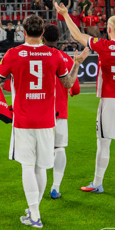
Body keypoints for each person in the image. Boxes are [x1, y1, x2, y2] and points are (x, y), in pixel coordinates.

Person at [0, 14, 85, 228]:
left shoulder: (13, 54)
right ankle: (35, 210)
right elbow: (68, 84)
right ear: (42, 33)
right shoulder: (54, 55)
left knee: (27, 165)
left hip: (23, 120)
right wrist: (76, 64)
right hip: (47, 120)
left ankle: (34, 215)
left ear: (24, 32)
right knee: (41, 167)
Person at [55, 2, 115, 194]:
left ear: (109, 30)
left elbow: (77, 35)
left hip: (110, 101)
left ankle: (97, 183)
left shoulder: (104, 45)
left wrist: (65, 15)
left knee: (104, 142)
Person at [42, 24, 80, 199]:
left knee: (39, 149)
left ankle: (37, 188)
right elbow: (75, 89)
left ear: (43, 37)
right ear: (58, 39)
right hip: (59, 111)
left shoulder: (35, 55)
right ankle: (55, 187)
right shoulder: (65, 58)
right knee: (59, 148)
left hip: (39, 111)